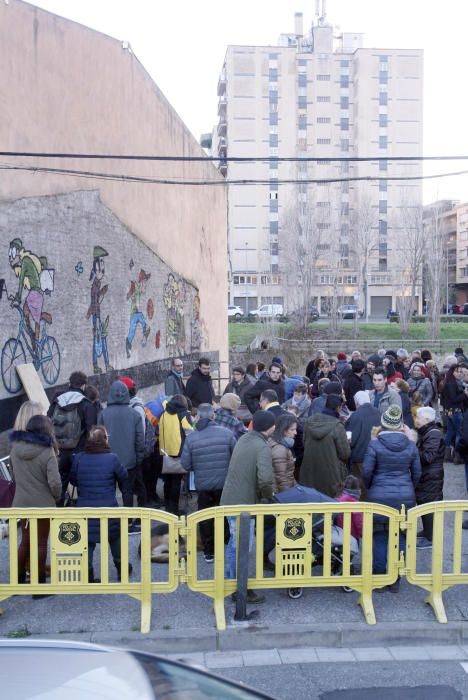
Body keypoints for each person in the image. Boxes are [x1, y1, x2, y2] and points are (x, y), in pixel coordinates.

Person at [220, 410, 275, 604]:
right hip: (243, 504)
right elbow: (266, 479)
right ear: (270, 427)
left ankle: (230, 582)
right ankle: (238, 587)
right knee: (242, 546)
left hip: (230, 499)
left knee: (234, 543)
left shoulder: (244, 439)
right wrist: (270, 497)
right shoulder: (262, 446)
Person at [363, 405, 421, 580]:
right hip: (405, 496)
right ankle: (395, 577)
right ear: (401, 425)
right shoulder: (411, 446)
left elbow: (366, 472)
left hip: (379, 496)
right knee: (401, 535)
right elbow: (417, 473)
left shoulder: (374, 445)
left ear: (383, 425)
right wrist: (409, 487)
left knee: (380, 535)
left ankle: (379, 576)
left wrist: (372, 487)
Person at [69, 426, 129, 581]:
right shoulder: (112, 458)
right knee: (114, 536)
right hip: (108, 506)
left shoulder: (79, 458)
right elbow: (123, 476)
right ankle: (122, 569)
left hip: (85, 507)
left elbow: (73, 480)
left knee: (87, 540)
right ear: (105, 440)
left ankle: (88, 573)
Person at [10, 414, 61, 596]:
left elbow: (15, 476)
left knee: (25, 541)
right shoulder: (47, 451)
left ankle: (17, 582)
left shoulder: (15, 448)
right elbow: (54, 482)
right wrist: (56, 497)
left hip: (21, 502)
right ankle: (38, 588)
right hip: (42, 504)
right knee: (40, 543)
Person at [181, 404, 236, 562]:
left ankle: (209, 551)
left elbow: (186, 465)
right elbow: (235, 457)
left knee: (205, 516)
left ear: (198, 416)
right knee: (224, 514)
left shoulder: (192, 437)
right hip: (224, 483)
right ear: (213, 416)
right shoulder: (227, 433)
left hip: (203, 485)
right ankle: (226, 544)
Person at [98, 380, 145, 530]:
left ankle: (111, 522)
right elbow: (140, 439)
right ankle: (128, 522)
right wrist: (139, 458)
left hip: (106, 460)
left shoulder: (103, 414)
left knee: (109, 491)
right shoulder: (134, 414)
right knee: (127, 491)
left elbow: (98, 438)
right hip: (129, 460)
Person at [47, 370, 98, 500]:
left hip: (59, 452)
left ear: (69, 383)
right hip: (80, 452)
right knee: (83, 485)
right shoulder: (86, 404)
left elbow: (47, 423)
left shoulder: (56, 401)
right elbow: (91, 431)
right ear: (83, 385)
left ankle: (58, 515)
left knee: (60, 485)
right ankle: (82, 516)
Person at [300, 394, 350, 497]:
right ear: (338, 408)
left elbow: (304, 443)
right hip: (331, 475)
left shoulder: (310, 421)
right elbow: (345, 454)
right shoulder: (337, 426)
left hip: (308, 472)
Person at [414, 407, 445, 548]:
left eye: (418, 417)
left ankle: (430, 538)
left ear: (426, 420)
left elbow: (427, 457)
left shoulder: (433, 434)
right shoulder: (427, 432)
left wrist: (413, 444)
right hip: (429, 476)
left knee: (428, 504)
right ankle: (427, 531)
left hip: (431, 476)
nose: (416, 419)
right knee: (423, 502)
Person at [158, 394, 193, 515]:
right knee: (176, 483)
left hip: (165, 452)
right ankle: (173, 510)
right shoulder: (183, 414)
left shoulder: (164, 414)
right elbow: (190, 432)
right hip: (179, 452)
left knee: (167, 481)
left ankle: (168, 508)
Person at [346, 391, 381, 488]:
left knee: (361, 486)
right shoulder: (378, 412)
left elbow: (351, 440)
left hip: (360, 457)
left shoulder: (356, 415)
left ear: (357, 402)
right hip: (376, 455)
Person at [440, 364, 468, 462]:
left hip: (449, 412)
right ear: (452, 372)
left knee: (450, 432)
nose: (459, 373)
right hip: (456, 411)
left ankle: (446, 455)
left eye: (461, 372)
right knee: (459, 433)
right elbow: (454, 399)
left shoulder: (448, 382)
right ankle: (457, 456)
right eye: (457, 371)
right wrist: (464, 394)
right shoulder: (452, 383)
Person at [268, 414, 297, 493]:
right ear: (284, 430)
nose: (295, 433)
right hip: (283, 493)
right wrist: (288, 496)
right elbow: (281, 477)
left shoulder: (280, 444)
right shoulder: (280, 449)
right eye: (292, 430)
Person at [334, 475, 363, 541]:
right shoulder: (353, 501)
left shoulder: (339, 497)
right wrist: (362, 533)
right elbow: (359, 521)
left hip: (338, 533)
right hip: (352, 535)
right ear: (358, 489)